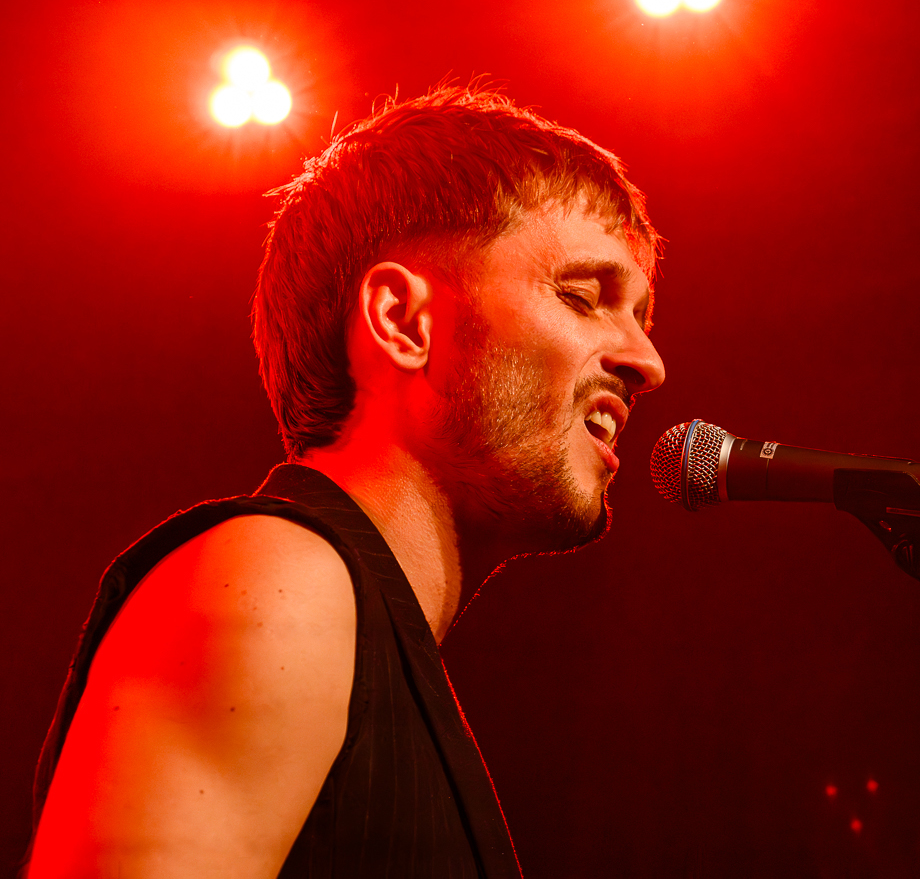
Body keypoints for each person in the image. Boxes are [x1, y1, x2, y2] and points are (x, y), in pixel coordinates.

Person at [25, 86, 666, 878]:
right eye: (582, 297)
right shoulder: (277, 582)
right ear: (402, 320)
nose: (647, 362)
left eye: (641, 317)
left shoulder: (360, 632)